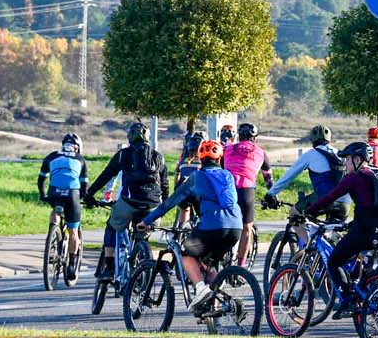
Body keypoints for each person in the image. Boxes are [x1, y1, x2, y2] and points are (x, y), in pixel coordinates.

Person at [139, 140, 242, 308]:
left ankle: (201, 289)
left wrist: (146, 221)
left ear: (200, 158)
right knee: (206, 263)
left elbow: (170, 202)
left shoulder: (196, 177)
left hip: (212, 228)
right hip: (235, 228)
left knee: (186, 254)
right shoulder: (228, 175)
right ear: (219, 158)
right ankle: (226, 304)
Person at [306, 141, 378, 313]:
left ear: (357, 159)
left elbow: (330, 196)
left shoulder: (354, 178)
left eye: (347, 160)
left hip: (363, 232)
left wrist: (310, 210)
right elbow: (371, 206)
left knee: (334, 261)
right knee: (354, 258)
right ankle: (361, 291)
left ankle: (348, 299)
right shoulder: (375, 175)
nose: (344, 164)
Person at [85, 121, 169, 280]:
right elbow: (165, 184)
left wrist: (90, 194)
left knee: (112, 226)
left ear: (130, 137)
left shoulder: (124, 154)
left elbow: (106, 175)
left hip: (129, 203)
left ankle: (109, 268)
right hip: (153, 206)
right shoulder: (159, 157)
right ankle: (141, 263)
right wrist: (164, 206)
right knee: (143, 234)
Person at [265, 125, 346, 250]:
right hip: (345, 202)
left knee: (294, 214)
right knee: (332, 235)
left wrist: (270, 194)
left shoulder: (311, 154)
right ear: (329, 139)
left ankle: (311, 248)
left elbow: (288, 176)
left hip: (324, 199)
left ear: (312, 140)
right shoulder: (340, 154)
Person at [36, 132, 89, 282]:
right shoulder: (80, 159)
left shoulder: (51, 156)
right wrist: (83, 198)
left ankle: (53, 233)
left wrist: (42, 195)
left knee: (55, 210)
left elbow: (41, 180)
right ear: (77, 148)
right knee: (73, 230)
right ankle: (71, 264)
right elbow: (84, 186)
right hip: (72, 195)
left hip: (54, 193)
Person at [222, 122, 272, 268]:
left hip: (226, 189)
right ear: (254, 138)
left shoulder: (228, 149)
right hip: (245, 190)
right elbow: (268, 179)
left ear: (239, 136)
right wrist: (272, 196)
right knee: (246, 228)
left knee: (222, 223)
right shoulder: (261, 153)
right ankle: (240, 267)